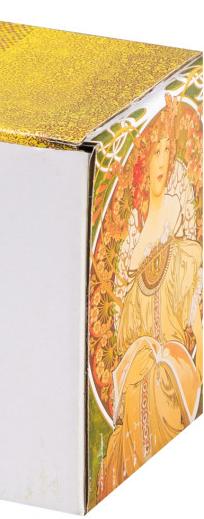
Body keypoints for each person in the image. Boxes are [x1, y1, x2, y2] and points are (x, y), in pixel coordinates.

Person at [96, 95, 203, 501]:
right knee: (138, 388)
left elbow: (192, 315)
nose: (162, 161)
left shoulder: (179, 227)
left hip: (174, 363)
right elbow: (124, 326)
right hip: (139, 362)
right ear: (144, 163)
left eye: (167, 151)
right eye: (155, 151)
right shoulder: (133, 243)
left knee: (161, 382)